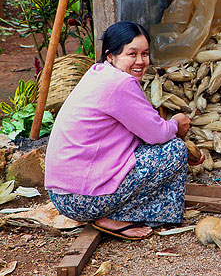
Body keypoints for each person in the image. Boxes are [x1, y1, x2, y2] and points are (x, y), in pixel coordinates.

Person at [45, 21, 192, 241]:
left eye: (145, 54)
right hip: (81, 199)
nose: (140, 61)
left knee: (160, 150)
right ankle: (111, 215)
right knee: (175, 150)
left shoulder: (99, 73)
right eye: (131, 54)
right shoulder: (120, 84)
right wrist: (176, 125)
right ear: (111, 56)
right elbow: (156, 134)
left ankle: (108, 211)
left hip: (63, 196)